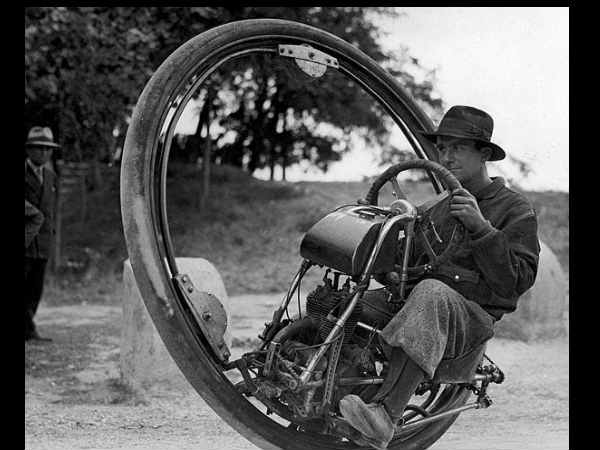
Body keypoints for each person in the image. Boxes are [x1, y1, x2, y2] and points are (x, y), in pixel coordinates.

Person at [339, 106, 541, 450]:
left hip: (470, 319)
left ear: (484, 155)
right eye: (443, 148)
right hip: (422, 304)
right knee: (344, 302)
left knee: (433, 291)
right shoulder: (438, 206)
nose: (446, 156)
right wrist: (382, 232)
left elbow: (515, 283)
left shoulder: (514, 209)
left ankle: (384, 417)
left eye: (458, 148)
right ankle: (307, 378)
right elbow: (408, 266)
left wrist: (482, 229)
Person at [25, 126, 60, 342]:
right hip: (26, 242)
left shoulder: (50, 175)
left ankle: (27, 329)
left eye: (48, 149)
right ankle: (28, 330)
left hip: (43, 244)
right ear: (28, 150)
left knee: (35, 289)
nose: (44, 154)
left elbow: (51, 211)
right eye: (39, 149)